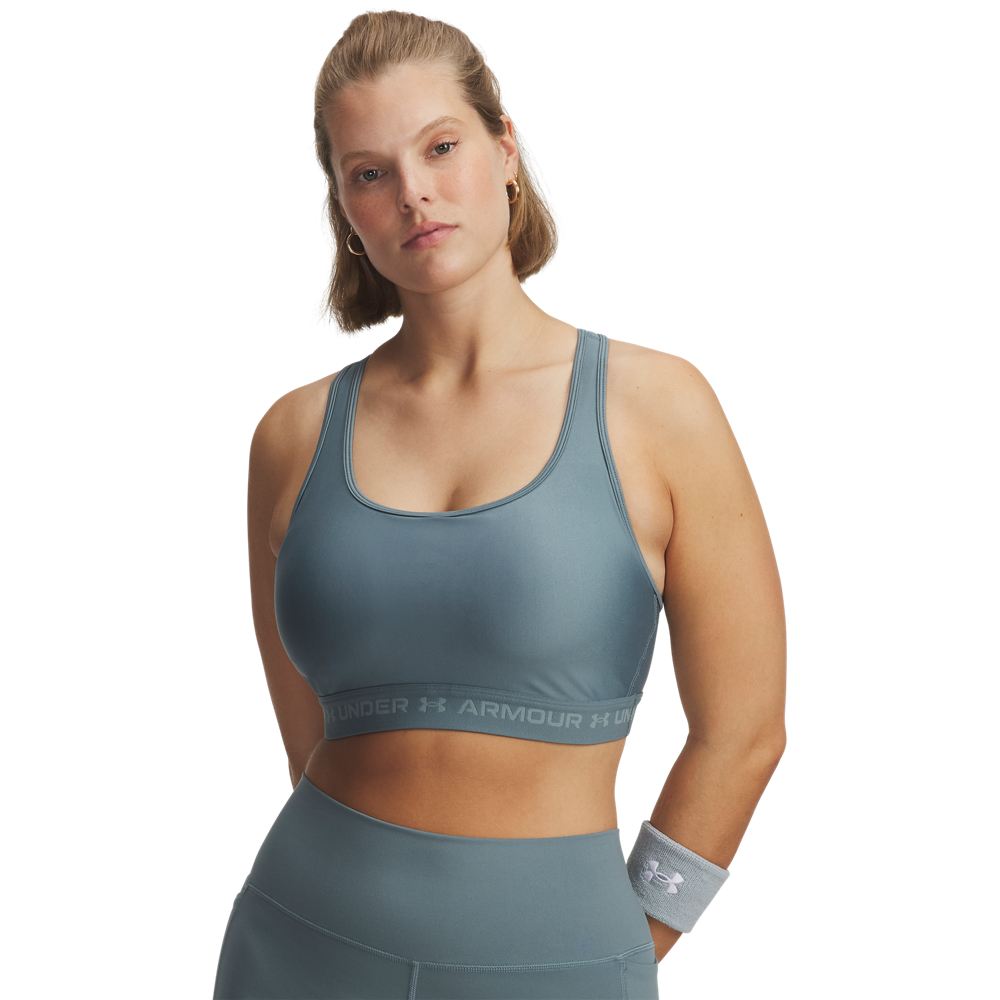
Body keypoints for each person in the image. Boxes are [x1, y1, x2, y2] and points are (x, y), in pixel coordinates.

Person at [212, 10, 786, 1000]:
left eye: (440, 147)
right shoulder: (292, 437)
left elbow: (744, 733)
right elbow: (308, 742)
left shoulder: (657, 409)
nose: (414, 192)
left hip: (559, 960)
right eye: (369, 171)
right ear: (344, 206)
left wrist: (626, 937)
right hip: (300, 942)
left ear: (505, 149)